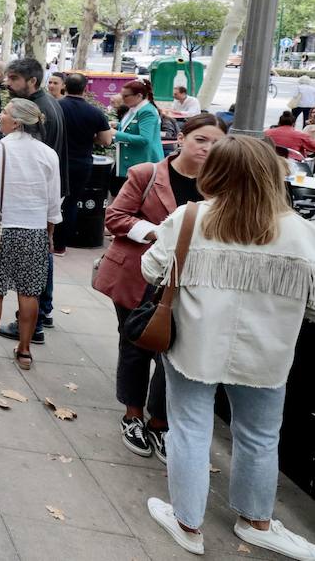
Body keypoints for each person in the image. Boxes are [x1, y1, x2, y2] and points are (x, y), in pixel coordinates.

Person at [142, 136, 315, 560]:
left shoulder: (192, 218)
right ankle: (257, 520)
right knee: (259, 436)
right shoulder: (300, 231)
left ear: (215, 172)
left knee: (190, 430)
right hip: (268, 353)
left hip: (194, 346)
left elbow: (150, 268)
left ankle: (188, 523)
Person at [94, 113, 225, 462]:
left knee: (175, 354)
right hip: (139, 276)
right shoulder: (147, 175)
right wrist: (162, 234)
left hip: (192, 284)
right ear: (182, 139)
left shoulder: (222, 187)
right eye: (201, 139)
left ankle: (160, 421)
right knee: (136, 345)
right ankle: (133, 415)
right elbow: (116, 217)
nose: (207, 148)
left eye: (215, 142)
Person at [0, 99, 61, 372]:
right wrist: (50, 232)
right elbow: (54, 202)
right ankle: (25, 352)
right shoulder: (48, 154)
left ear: (17, 121)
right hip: (34, 232)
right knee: (30, 292)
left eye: (4, 112)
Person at [0, 57, 69, 344]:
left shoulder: (37, 110)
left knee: (38, 260)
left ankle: (33, 323)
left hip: (39, 199)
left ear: (32, 81)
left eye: (14, 78)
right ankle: (44, 312)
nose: (8, 84)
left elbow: (32, 160)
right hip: (49, 194)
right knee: (43, 255)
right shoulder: (48, 103)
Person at [56, 73, 115, 254]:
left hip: (55, 161)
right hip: (81, 163)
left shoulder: (56, 107)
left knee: (50, 201)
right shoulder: (94, 112)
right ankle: (60, 245)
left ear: (64, 87)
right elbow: (106, 141)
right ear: (85, 89)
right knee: (71, 203)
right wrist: (90, 138)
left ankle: (45, 240)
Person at [114, 79, 164, 194]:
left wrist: (116, 134)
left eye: (126, 96)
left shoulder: (147, 111)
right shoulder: (134, 108)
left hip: (143, 160)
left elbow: (145, 139)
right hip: (130, 160)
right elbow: (132, 127)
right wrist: (117, 126)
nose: (123, 99)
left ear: (139, 96)